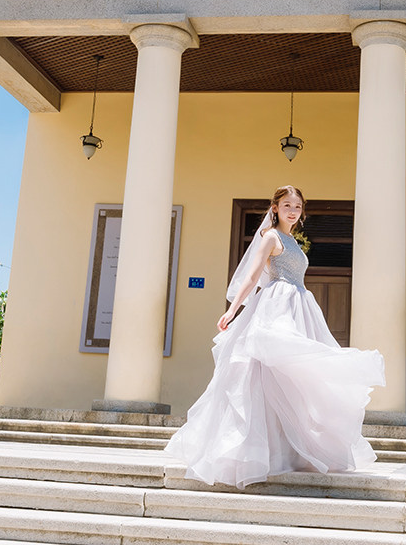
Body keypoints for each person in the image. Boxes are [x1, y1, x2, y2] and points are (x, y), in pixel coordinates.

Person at [164, 185, 385, 489]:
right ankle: (255, 451)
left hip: (300, 306)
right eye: (287, 206)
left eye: (297, 207)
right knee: (263, 372)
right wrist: (233, 310)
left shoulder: (293, 240)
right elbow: (253, 275)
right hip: (277, 305)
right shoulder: (270, 237)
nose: (292, 211)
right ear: (275, 208)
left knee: (295, 377)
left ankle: (289, 449)